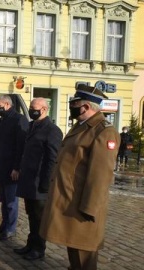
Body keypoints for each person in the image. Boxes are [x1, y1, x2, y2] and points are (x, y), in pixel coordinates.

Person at [40, 85, 120, 270]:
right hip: (69, 199)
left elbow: (101, 175)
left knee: (84, 254)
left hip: (83, 205)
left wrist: (90, 208)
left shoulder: (104, 131)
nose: (72, 108)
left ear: (85, 106)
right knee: (73, 249)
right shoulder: (81, 126)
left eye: (74, 104)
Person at [13, 98, 63, 260]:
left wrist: (45, 183)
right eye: (30, 107)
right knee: (31, 215)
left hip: (40, 182)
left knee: (40, 217)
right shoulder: (33, 126)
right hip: (28, 179)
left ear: (44, 109)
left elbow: (52, 159)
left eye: (34, 108)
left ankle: (39, 248)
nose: (31, 110)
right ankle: (30, 244)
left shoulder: (52, 130)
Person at [0, 94, 29, 241]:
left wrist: (17, 168)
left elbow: (21, 146)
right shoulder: (3, 119)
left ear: (6, 104)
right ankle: (4, 225)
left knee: (11, 201)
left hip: (12, 168)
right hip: (1, 166)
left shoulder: (19, 120)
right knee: (3, 199)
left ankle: (10, 229)